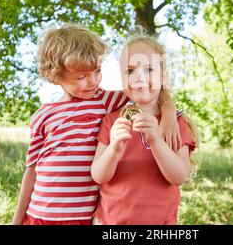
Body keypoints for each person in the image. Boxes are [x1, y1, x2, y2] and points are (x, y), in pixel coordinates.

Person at [12, 24, 180, 225]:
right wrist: (17, 220)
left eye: (97, 71)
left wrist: (169, 112)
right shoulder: (42, 115)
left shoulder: (105, 102)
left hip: (81, 219)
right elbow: (31, 171)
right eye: (82, 76)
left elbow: (145, 96)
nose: (93, 81)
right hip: (38, 216)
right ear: (55, 77)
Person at [91, 32, 198, 225]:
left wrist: (156, 141)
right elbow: (98, 176)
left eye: (149, 69)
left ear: (163, 77)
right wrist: (114, 148)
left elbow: (179, 177)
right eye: (130, 71)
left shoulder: (176, 123)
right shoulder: (111, 120)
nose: (139, 77)